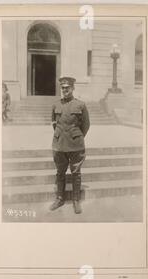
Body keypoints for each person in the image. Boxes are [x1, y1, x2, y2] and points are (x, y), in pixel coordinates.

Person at [49, 77, 90, 214]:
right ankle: (59, 198)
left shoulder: (80, 105)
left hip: (75, 145)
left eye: (67, 88)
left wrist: (77, 136)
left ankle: (76, 200)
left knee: (76, 173)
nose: (65, 90)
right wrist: (60, 136)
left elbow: (86, 125)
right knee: (60, 172)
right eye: (63, 88)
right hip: (59, 144)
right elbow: (54, 124)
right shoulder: (56, 105)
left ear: (73, 88)